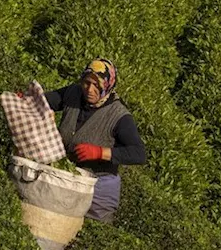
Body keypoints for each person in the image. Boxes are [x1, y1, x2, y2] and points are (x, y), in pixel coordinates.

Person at [44, 58, 147, 223]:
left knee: (87, 231)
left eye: (96, 86)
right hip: (69, 179)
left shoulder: (119, 116)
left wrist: (100, 152)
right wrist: (28, 99)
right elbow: (46, 101)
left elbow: (139, 153)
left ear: (107, 86)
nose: (89, 90)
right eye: (86, 83)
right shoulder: (73, 93)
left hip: (98, 188)